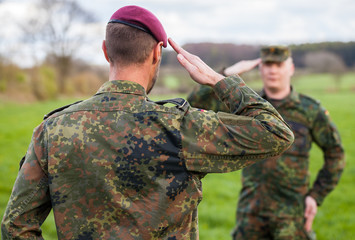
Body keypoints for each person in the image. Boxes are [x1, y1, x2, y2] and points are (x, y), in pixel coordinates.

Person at [1, 6, 294, 240]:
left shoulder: (52, 129)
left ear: (105, 51)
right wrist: (218, 80)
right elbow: (276, 132)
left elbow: (16, 225)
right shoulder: (179, 126)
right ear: (157, 53)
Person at [187, 45, 345, 239]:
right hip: (250, 213)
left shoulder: (309, 110)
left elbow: (335, 153)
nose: (273, 70)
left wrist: (315, 196)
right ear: (260, 69)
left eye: (279, 64)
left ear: (291, 68)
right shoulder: (246, 107)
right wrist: (225, 75)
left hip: (292, 216)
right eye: (268, 64)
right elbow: (196, 103)